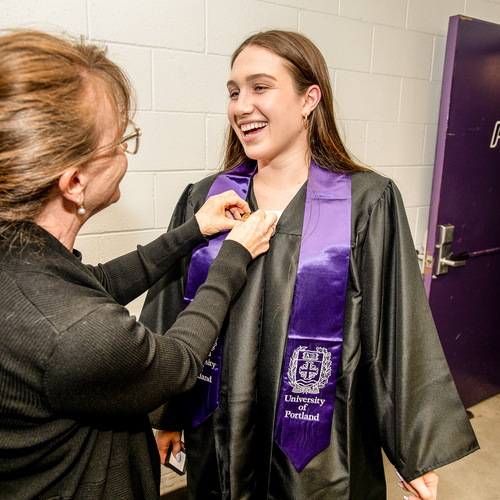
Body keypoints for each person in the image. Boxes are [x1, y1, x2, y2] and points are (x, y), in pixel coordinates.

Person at [140, 30, 479, 500]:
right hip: (218, 432)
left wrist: (413, 450)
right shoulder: (207, 199)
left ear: (309, 99)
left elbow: (396, 328)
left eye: (260, 87)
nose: (241, 106)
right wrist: (168, 413)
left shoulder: (366, 202)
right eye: (234, 91)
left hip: (323, 453)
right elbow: (171, 313)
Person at [0, 30, 276, 500]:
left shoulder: (22, 259)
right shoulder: (75, 333)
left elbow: (96, 284)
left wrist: (193, 232)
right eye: (120, 141)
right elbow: (180, 362)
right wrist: (233, 257)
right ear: (74, 182)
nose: (126, 154)